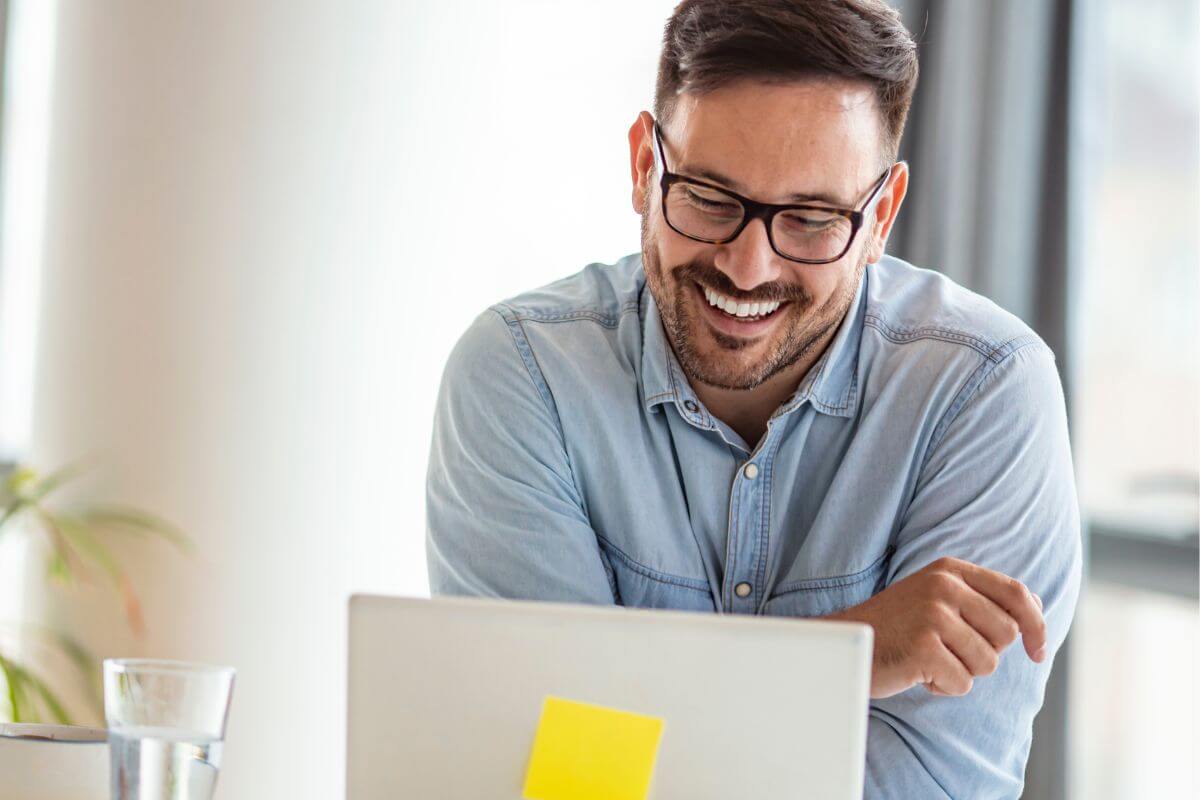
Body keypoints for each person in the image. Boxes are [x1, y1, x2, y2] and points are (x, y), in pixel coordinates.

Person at [425, 1, 1081, 796]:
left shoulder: (984, 392)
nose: (747, 268)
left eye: (810, 219)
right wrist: (849, 657)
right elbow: (538, 767)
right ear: (644, 167)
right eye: (709, 198)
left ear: (880, 216)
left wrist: (629, 723)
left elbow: (925, 786)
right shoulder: (524, 376)